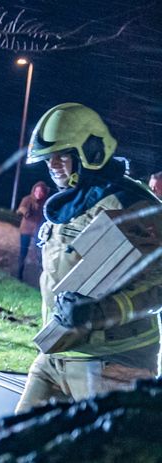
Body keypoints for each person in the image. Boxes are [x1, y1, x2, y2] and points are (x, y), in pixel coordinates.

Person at [15, 103, 162, 413]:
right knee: (10, 453)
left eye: (62, 155)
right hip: (58, 355)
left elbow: (158, 284)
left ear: (91, 151)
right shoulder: (70, 202)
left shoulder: (131, 204)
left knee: (100, 459)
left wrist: (96, 312)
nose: (53, 164)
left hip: (115, 363)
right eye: (48, 158)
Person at [16, 181, 50, 280]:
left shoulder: (46, 203)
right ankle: (19, 274)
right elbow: (20, 209)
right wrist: (25, 211)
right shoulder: (27, 199)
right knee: (23, 252)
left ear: (44, 193)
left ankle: (43, 278)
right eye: (37, 191)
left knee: (40, 254)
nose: (38, 194)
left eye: (41, 192)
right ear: (33, 191)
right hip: (26, 230)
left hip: (38, 232)